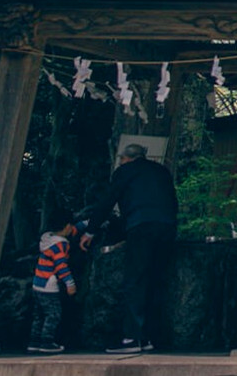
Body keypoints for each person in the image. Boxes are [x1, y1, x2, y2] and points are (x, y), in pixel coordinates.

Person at [83, 143, 177, 354]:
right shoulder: (161, 171)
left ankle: (132, 338)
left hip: (142, 225)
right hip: (167, 226)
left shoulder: (125, 171)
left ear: (126, 158)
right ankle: (149, 337)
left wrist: (90, 230)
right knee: (156, 280)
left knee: (136, 280)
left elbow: (108, 200)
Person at [27, 208, 79, 353]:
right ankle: (47, 342)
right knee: (53, 314)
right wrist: (70, 284)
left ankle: (34, 342)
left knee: (38, 315)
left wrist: (87, 224)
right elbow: (62, 267)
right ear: (67, 226)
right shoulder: (60, 245)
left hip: (37, 283)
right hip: (49, 286)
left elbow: (75, 228)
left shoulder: (48, 239)